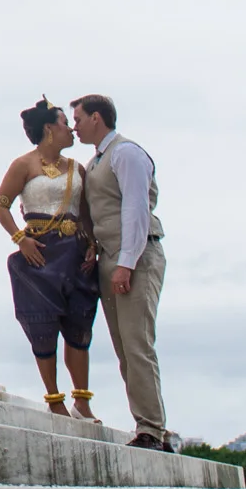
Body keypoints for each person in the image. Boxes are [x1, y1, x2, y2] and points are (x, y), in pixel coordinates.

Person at [0, 97, 100, 419]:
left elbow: (84, 214)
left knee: (79, 323)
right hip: (40, 251)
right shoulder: (23, 165)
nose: (71, 130)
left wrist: (92, 243)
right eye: (66, 124)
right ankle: (54, 398)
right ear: (49, 129)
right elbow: (1, 205)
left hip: (75, 251)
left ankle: (82, 400)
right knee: (43, 322)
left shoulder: (76, 168)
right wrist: (20, 239)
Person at [72, 93, 169, 449]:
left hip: (136, 257)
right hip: (110, 259)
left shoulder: (126, 153)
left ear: (97, 118)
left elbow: (136, 209)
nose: (75, 126)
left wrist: (126, 263)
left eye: (79, 119)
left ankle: (152, 430)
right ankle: (146, 424)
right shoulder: (97, 159)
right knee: (124, 349)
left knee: (137, 343)